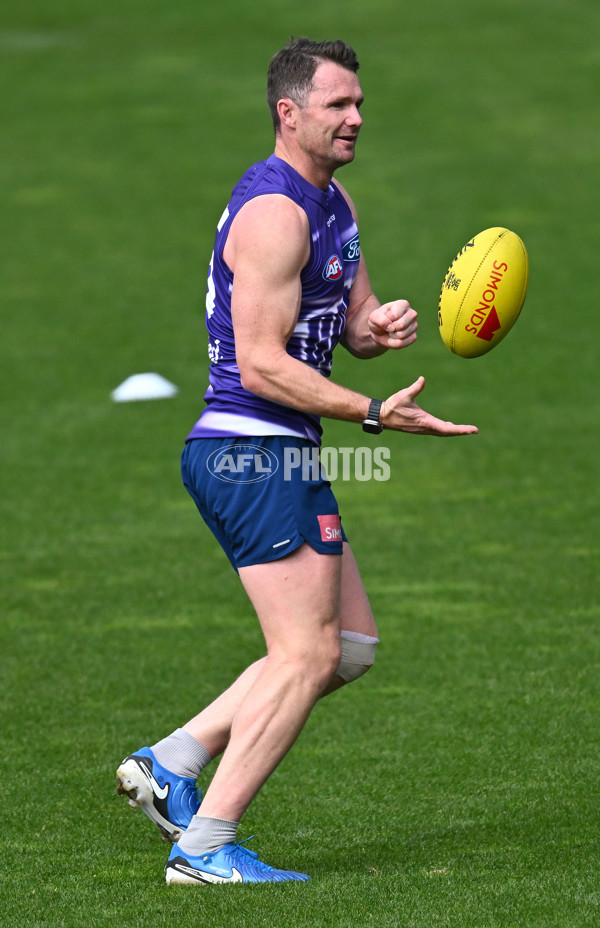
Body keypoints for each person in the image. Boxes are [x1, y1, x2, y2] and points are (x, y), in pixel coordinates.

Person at [116, 36, 477, 886]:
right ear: (289, 113)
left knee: (343, 647)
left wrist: (372, 331)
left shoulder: (334, 201)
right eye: (338, 106)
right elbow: (261, 362)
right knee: (306, 655)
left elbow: (342, 329)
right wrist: (374, 411)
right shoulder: (275, 212)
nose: (356, 118)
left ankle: (173, 760)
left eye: (359, 103)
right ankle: (204, 846)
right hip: (252, 452)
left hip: (277, 451)